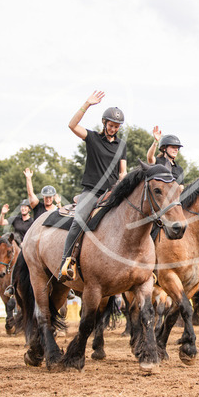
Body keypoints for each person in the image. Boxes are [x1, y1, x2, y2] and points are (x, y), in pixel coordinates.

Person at [59, 90, 127, 281]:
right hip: (92, 191)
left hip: (112, 193)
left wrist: (123, 186)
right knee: (78, 222)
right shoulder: (92, 138)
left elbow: (122, 172)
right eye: (111, 125)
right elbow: (72, 125)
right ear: (104, 123)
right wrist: (87, 104)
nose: (113, 128)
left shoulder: (121, 145)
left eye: (116, 126)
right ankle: (66, 262)